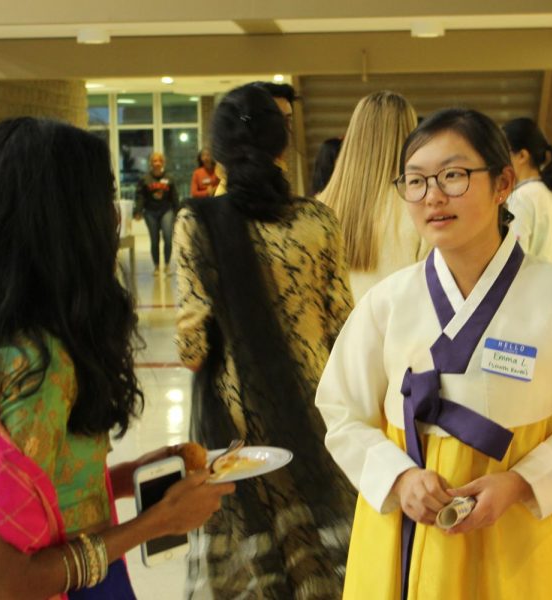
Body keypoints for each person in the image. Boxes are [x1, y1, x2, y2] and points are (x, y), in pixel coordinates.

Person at [0, 117, 234, 599]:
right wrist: (158, 521)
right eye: (102, 199)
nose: (113, 216)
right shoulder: (38, 366)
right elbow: (1, 586)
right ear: (58, 221)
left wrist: (132, 476)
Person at [315, 108, 552, 600]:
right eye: (416, 181)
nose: (433, 196)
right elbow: (342, 411)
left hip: (519, 530)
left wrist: (524, 482)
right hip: (413, 524)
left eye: (454, 176)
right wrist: (399, 478)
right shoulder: (387, 303)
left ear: (503, 183)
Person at [174, 83, 356, 599]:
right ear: (283, 147)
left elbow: (192, 351)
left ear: (218, 152)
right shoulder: (318, 219)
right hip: (315, 404)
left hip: (239, 420)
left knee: (259, 551)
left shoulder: (199, 221)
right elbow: (343, 322)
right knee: (318, 543)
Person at [317, 91, 427, 301]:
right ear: (409, 134)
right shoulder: (421, 204)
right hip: (402, 328)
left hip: (342, 331)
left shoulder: (320, 208)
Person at [502, 117, 552, 266]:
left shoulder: (521, 197)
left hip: (529, 286)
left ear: (522, 156)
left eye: (504, 152)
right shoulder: (551, 193)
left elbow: (514, 259)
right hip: (550, 284)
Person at [213, 81, 297, 197]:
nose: (284, 130)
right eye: (275, 121)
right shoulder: (233, 193)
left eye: (288, 120)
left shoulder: (276, 170)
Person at [134, 151, 180, 274]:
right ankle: (156, 266)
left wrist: (178, 211)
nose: (157, 163)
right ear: (151, 163)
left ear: (163, 162)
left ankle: (166, 264)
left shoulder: (169, 178)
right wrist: (137, 211)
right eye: (154, 161)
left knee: (168, 237)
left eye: (159, 160)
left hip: (166, 210)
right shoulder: (145, 179)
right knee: (154, 240)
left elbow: (174, 196)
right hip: (150, 212)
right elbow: (140, 196)